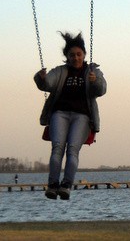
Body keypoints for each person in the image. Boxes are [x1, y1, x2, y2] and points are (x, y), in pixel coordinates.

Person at [34, 32, 107, 200]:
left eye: (79, 54)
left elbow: (102, 89)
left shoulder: (92, 71)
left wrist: (95, 80)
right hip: (60, 113)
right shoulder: (60, 71)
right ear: (67, 57)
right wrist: (42, 78)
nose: (76, 58)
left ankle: (66, 185)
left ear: (84, 55)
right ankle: (53, 184)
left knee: (73, 149)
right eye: (72, 55)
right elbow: (48, 84)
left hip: (82, 117)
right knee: (57, 147)